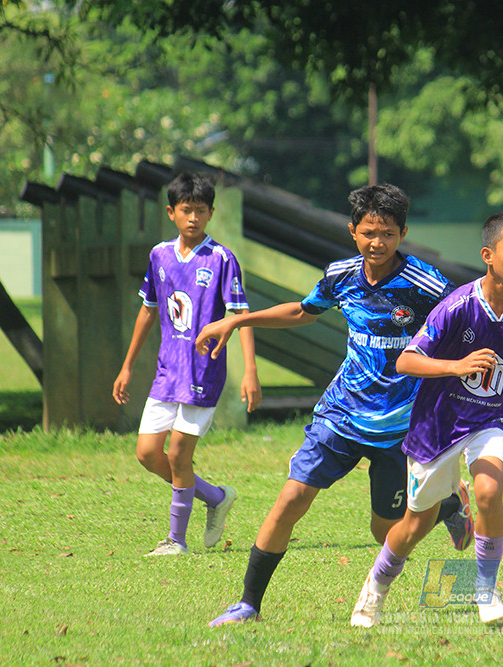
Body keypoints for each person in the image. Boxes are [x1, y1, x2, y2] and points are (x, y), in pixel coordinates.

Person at [199, 183, 472, 627]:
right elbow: (304, 311)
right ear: (352, 231)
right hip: (341, 414)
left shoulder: (429, 285)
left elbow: (461, 331)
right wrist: (238, 319)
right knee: (291, 498)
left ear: (402, 233)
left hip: (400, 429)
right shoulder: (341, 275)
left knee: (385, 532)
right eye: (368, 232)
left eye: (386, 233)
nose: (376, 242)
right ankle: (248, 604)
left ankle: (444, 507)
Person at [350, 211, 503, 629]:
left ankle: (485, 591)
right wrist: (457, 366)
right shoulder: (458, 306)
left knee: (489, 492)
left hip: (489, 420)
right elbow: (407, 359)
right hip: (437, 426)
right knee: (415, 525)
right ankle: (374, 589)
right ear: (489, 255)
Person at [113, 171, 262, 556]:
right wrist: (127, 365)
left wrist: (250, 371)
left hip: (203, 372)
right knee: (148, 453)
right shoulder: (159, 255)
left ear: (211, 213)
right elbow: (148, 311)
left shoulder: (222, 259)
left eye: (200, 210)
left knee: (179, 454)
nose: (193, 217)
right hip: (167, 372)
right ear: (171, 212)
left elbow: (240, 315)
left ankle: (175, 541)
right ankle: (214, 496)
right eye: (186, 210)